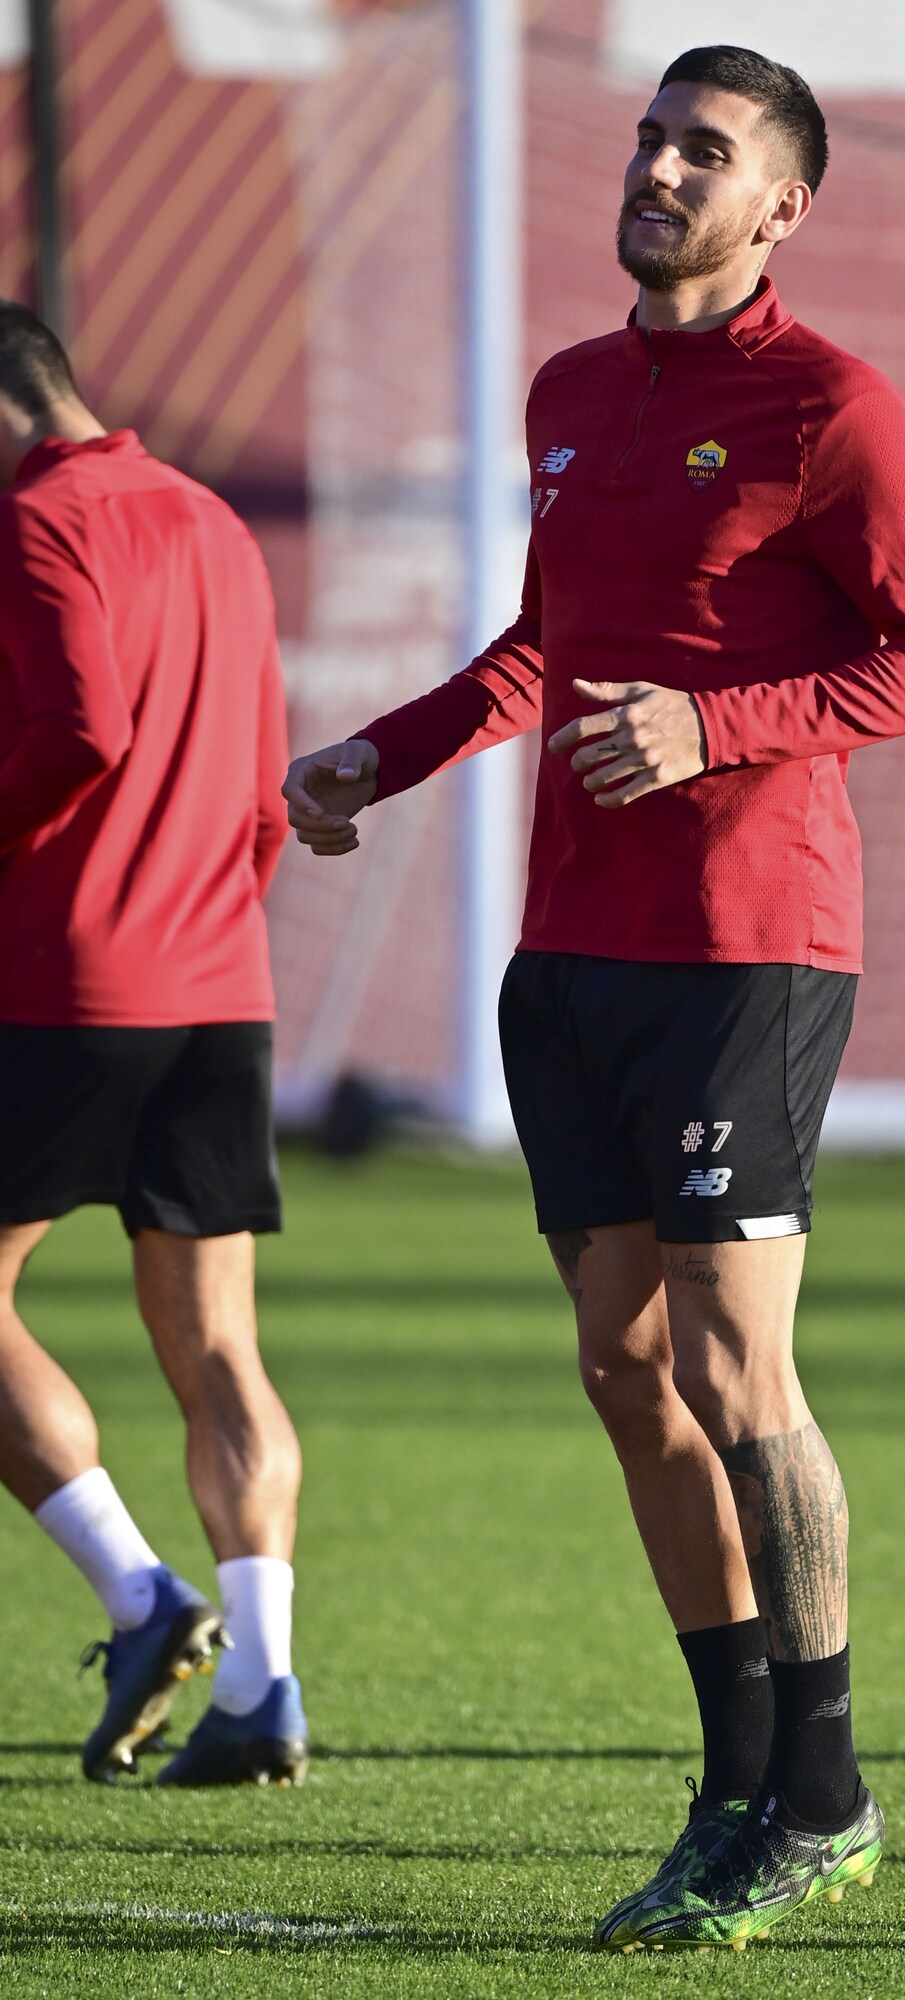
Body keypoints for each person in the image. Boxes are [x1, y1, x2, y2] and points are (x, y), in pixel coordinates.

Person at [286, 45, 905, 1946]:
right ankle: (735, 1787)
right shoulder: (573, 392)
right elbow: (544, 647)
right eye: (650, 138)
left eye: (707, 151)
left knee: (734, 1369)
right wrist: (381, 754)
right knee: (623, 1370)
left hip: (747, 946)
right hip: (571, 954)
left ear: (782, 207)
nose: (661, 169)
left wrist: (714, 724)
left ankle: (823, 1793)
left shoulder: (833, 405)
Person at [0, 304, 307, 1787]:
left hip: (69, 976)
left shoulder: (38, 520)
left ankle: (138, 1596)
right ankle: (263, 1685)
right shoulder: (211, 519)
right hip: (217, 977)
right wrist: (215, 918)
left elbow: (79, 728)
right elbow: (261, 789)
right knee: (219, 1344)